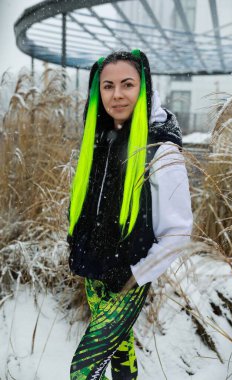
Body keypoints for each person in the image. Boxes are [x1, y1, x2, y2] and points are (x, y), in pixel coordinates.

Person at [67, 49, 193, 380]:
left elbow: (179, 231)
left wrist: (136, 273)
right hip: (94, 270)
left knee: (82, 370)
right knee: (121, 349)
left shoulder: (160, 148)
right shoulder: (100, 134)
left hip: (127, 277)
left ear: (144, 87)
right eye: (107, 86)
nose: (117, 94)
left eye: (127, 84)